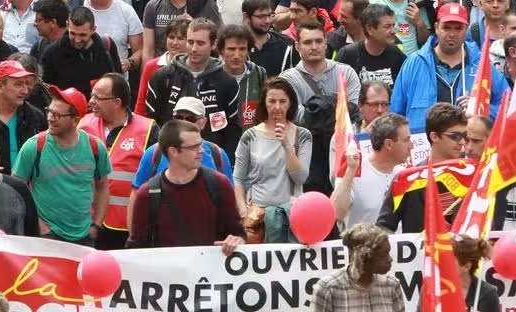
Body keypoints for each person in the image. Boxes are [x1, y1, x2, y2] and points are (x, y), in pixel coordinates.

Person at [12, 86, 111, 246]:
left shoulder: (95, 147)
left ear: (75, 120)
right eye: (49, 111)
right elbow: (16, 190)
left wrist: (96, 226)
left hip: (85, 237)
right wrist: (39, 224)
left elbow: (103, 187)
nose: (50, 118)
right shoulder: (34, 146)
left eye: (57, 115)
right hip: (47, 237)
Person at [125, 119, 244, 252]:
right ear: (173, 151)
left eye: (200, 145)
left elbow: (238, 233)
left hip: (211, 264)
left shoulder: (219, 184)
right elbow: (137, 247)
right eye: (194, 147)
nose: (201, 151)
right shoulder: (147, 194)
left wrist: (237, 240)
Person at [390, 3, 509, 133]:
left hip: (467, 142)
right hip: (423, 143)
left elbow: (507, 106)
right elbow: (395, 112)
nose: (452, 34)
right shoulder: (414, 63)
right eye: (446, 28)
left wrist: (481, 108)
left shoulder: (482, 65)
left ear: (466, 29)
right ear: (436, 27)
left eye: (458, 28)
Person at [79, 73, 158, 250]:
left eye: (98, 98)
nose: (91, 102)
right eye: (92, 95)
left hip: (126, 226)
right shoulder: (83, 125)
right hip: (87, 222)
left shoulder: (148, 129)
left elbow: (156, 179)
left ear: (117, 102)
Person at [145, 18, 242, 157]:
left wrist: (226, 161)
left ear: (214, 44)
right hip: (170, 157)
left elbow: (232, 130)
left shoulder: (227, 83)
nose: (194, 48)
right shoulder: (162, 77)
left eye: (200, 43)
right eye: (190, 42)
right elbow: (151, 125)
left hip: (209, 158)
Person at [233, 78, 313, 243]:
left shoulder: (303, 135)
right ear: (264, 103)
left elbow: (300, 178)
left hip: (291, 217)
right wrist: (243, 212)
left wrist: (287, 146)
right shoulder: (250, 136)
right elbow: (238, 178)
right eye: (272, 101)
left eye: (282, 101)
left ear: (291, 103)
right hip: (258, 217)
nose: (277, 107)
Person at [376, 103, 470, 233]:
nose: (462, 142)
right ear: (434, 136)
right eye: (455, 136)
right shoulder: (407, 179)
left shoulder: (471, 175)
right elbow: (383, 227)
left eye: (465, 136)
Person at [331, 114, 412, 229]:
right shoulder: (354, 170)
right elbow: (335, 214)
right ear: (389, 144)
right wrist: (350, 172)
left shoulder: (404, 174)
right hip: (362, 240)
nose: (411, 146)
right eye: (406, 140)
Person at [310, 224, 404, 312]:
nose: (390, 259)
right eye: (385, 253)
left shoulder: (392, 286)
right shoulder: (328, 288)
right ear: (365, 256)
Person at [40, 6, 121, 97]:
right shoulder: (52, 53)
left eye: (83, 35)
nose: (77, 40)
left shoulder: (106, 47)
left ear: (93, 30)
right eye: (73, 33)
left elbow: (119, 86)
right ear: (67, 26)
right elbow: (45, 91)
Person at [336, 4, 407, 87]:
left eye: (393, 26)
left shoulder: (395, 54)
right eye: (387, 27)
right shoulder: (347, 55)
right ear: (369, 29)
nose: (393, 31)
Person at [453, 235, 500, 312]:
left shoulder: (486, 294)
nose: (441, 263)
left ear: (467, 266)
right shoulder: (435, 288)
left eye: (449, 260)